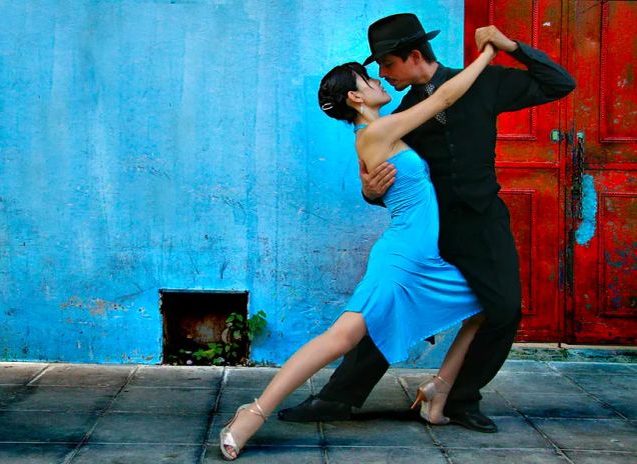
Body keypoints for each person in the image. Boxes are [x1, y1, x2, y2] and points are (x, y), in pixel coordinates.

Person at [278, 13, 576, 433]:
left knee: (504, 309)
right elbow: (393, 183)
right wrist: (370, 191)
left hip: (483, 224)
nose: (383, 75)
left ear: (413, 55)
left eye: (387, 65)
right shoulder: (404, 114)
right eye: (377, 71)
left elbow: (560, 83)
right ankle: (337, 397)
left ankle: (458, 398)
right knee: (389, 306)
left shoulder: (484, 84)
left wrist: (511, 48)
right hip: (431, 230)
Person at [218, 43, 497, 460]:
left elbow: (381, 187)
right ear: (356, 97)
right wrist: (488, 53)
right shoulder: (379, 132)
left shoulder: (372, 135)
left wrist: (370, 190)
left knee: (486, 307)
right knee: (342, 337)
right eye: (370, 80)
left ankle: (438, 390)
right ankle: (252, 413)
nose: (380, 80)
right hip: (401, 260)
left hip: (422, 259)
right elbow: (443, 97)